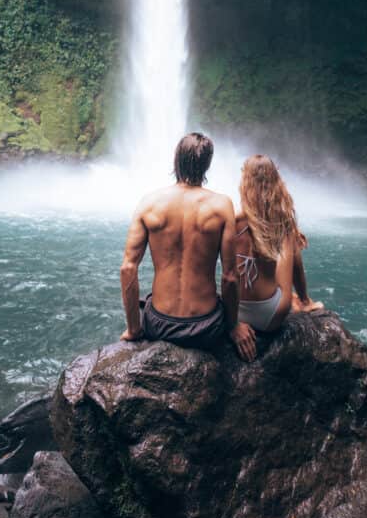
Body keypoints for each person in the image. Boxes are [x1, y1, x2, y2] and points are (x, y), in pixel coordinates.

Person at [120, 132, 257, 360]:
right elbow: (230, 276)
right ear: (207, 164)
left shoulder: (149, 203)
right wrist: (233, 326)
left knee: (149, 300)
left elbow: (128, 268)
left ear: (176, 160)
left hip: (159, 324)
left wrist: (134, 328)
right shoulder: (222, 206)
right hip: (206, 326)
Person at [235, 154, 323, 340]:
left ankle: (296, 298)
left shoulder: (232, 220)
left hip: (236, 313)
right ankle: (305, 300)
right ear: (275, 181)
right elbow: (294, 266)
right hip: (270, 315)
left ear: (244, 182)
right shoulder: (282, 221)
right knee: (290, 237)